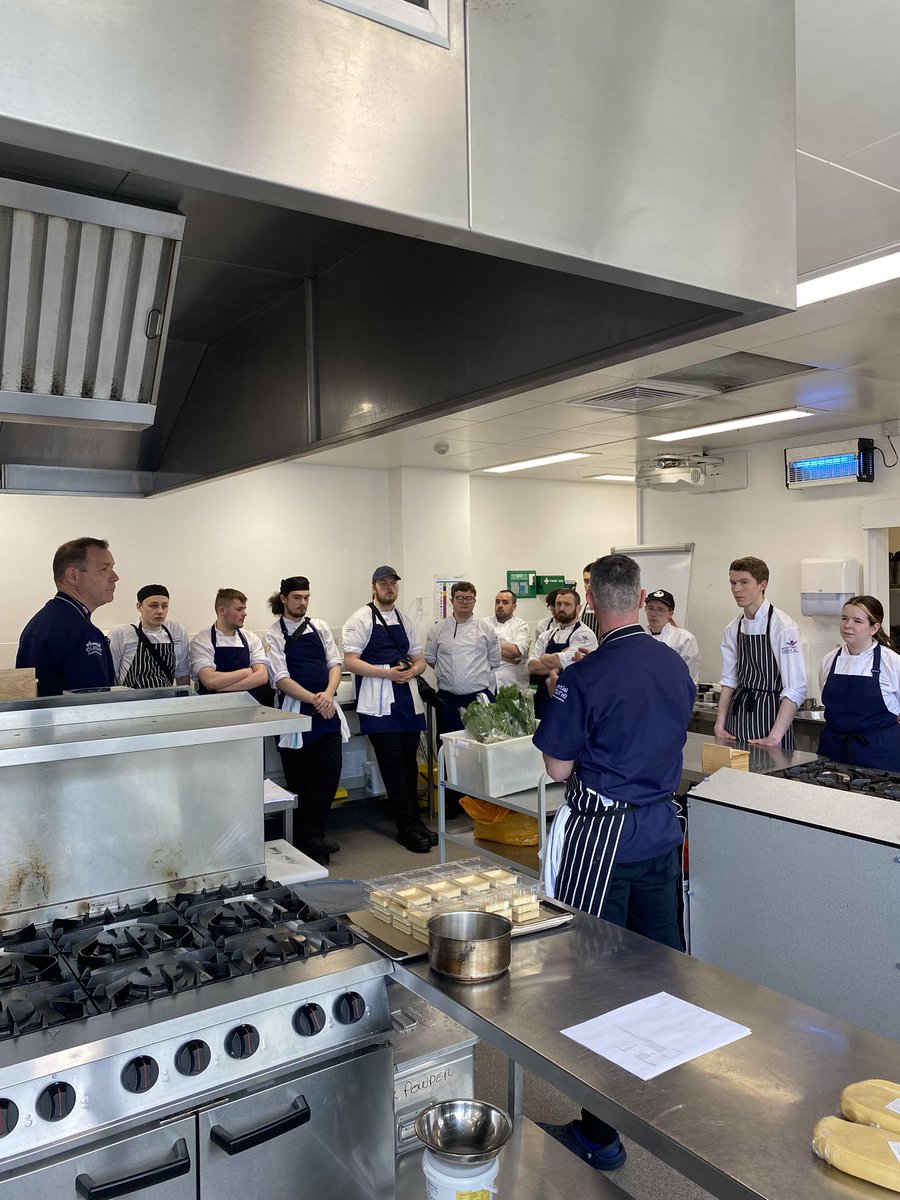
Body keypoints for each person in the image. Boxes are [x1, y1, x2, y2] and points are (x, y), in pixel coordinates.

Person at [533, 554, 695, 1172]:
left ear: (593, 600)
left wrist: (561, 700)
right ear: (641, 597)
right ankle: (662, 1108)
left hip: (605, 842)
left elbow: (557, 768)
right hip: (660, 833)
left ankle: (601, 1133)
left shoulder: (589, 673)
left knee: (597, 981)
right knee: (660, 972)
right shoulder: (674, 663)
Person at [343, 566, 437, 854]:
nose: (389, 588)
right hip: (378, 702)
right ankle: (405, 828)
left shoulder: (404, 619)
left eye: (393, 583)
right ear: (374, 587)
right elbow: (350, 662)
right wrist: (386, 674)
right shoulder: (360, 619)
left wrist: (413, 671)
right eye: (383, 583)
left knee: (409, 764)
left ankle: (416, 822)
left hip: (406, 701)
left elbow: (418, 659)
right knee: (393, 766)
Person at [264, 577, 345, 865]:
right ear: (283, 599)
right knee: (302, 779)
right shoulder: (273, 635)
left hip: (326, 712)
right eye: (297, 597)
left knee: (329, 773)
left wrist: (328, 694)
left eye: (306, 597)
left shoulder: (319, 627)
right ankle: (306, 839)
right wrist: (315, 699)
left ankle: (315, 834)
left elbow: (334, 663)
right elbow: (280, 678)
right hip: (295, 714)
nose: (302, 602)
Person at [714, 556, 807, 749]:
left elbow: (796, 688)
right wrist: (720, 723)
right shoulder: (733, 628)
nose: (736, 589)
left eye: (744, 582)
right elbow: (729, 680)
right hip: (736, 719)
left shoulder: (783, 627)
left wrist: (774, 737)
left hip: (770, 721)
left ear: (762, 585)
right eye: (733, 583)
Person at [17, 536, 118, 696]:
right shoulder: (79, 632)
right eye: (104, 569)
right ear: (73, 576)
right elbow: (95, 704)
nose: (115, 577)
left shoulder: (43, 622)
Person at [817, 595, 900, 770]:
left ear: (874, 628)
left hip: (880, 754)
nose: (848, 625)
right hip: (834, 751)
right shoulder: (829, 660)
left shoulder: (891, 662)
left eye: (857, 621)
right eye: (844, 618)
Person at [424, 580, 501, 733]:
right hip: (448, 699)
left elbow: (494, 660)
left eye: (469, 598)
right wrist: (448, 672)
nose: (464, 602)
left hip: (478, 698)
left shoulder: (486, 628)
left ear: (474, 601)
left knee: (480, 743)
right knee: (448, 746)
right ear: (452, 601)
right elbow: (430, 658)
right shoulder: (438, 629)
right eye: (459, 598)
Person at [527, 587, 598, 718]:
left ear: (578, 608)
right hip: (544, 698)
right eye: (558, 604)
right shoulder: (546, 635)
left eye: (567, 604)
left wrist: (543, 657)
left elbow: (564, 661)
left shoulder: (585, 635)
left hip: (572, 698)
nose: (561, 608)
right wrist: (559, 659)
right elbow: (531, 666)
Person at [109, 585, 191, 689]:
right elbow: (112, 674)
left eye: (164, 606)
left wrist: (184, 701)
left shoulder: (177, 630)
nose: (160, 611)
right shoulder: (122, 633)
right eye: (153, 606)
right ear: (139, 606)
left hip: (166, 699)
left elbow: (182, 672)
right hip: (131, 701)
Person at [190, 588, 269, 695]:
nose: (244, 613)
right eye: (239, 609)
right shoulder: (202, 640)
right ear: (222, 611)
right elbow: (210, 681)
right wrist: (247, 671)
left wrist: (222, 688)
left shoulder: (251, 638)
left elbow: (262, 677)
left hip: (248, 707)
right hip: (213, 708)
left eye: (244, 609)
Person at [643, 588, 701, 684]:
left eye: (660, 609)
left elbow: (689, 677)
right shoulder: (640, 638)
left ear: (671, 613)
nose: (654, 614)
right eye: (651, 608)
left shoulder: (684, 639)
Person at [487, 589, 531, 691]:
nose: (500, 605)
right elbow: (476, 649)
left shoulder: (521, 625)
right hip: (488, 684)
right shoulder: (484, 623)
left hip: (512, 685)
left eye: (505, 602)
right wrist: (506, 658)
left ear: (514, 607)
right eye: (497, 602)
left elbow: (515, 652)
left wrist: (488, 647)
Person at [580, 563, 598, 637]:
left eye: (592, 581)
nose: (589, 585)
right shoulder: (581, 609)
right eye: (586, 581)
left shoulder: (610, 608)